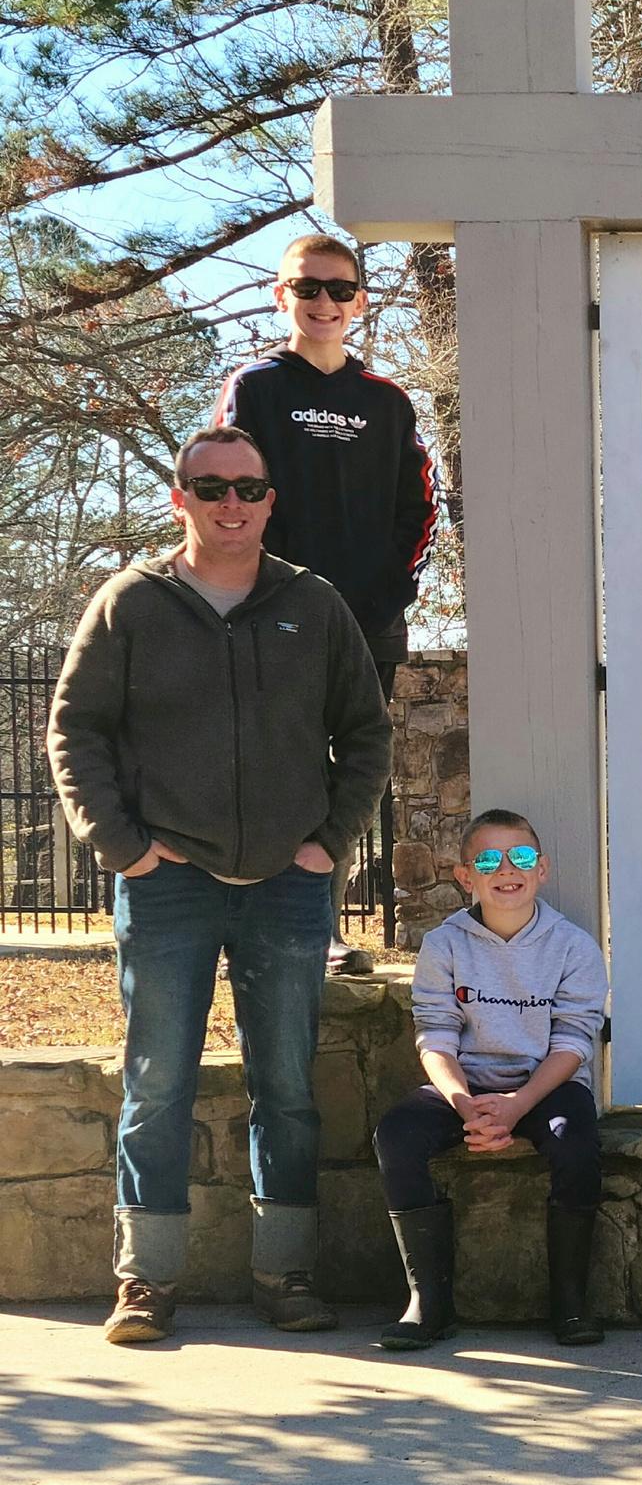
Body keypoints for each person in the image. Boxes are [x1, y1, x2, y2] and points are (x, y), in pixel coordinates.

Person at [46, 424, 394, 1344]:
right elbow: (75, 729)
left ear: (270, 500)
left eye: (246, 487)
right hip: (167, 881)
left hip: (288, 883)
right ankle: (145, 1281)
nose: (230, 503)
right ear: (181, 498)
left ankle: (287, 1272)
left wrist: (329, 841)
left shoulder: (313, 603)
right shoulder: (130, 603)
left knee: (287, 1084)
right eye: (210, 487)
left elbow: (366, 734)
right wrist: (122, 847)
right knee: (157, 1081)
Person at [217, 231, 438, 962]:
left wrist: (390, 590)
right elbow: (225, 495)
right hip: (275, 616)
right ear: (281, 296)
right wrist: (261, 592)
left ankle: (325, 927)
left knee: (355, 775)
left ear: (360, 302)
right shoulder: (256, 389)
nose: (324, 302)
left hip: (369, 623)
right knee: (284, 765)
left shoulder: (388, 401)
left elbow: (422, 506)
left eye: (340, 289)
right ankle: (269, 922)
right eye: (308, 287)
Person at [373, 810, 609, 1351]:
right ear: (465, 877)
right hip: (466, 1086)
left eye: (520, 856)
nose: (507, 870)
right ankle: (428, 1302)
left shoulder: (574, 947)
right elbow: (435, 1036)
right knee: (397, 1134)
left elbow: (574, 1042)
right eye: (487, 861)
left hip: (545, 1087)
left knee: (575, 1141)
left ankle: (571, 1302)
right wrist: (465, 1104)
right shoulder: (444, 944)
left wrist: (517, 1104)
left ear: (541, 869)